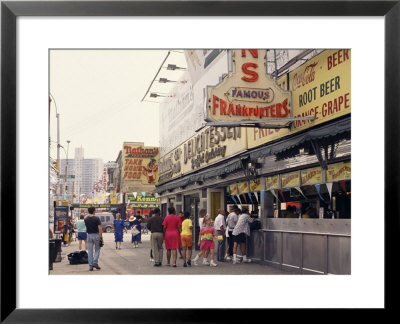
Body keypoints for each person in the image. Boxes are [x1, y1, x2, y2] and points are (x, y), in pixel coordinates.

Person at [84, 207, 103, 271]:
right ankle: (95, 262)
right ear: (94, 211)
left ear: (88, 211)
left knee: (90, 251)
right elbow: (100, 228)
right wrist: (101, 237)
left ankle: (90, 266)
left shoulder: (86, 219)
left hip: (89, 235)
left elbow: (86, 228)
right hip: (96, 235)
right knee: (97, 249)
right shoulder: (96, 218)